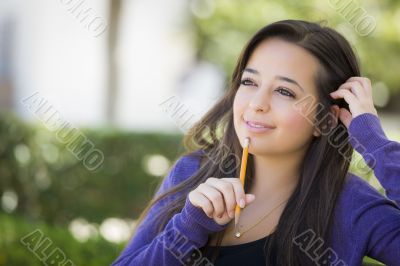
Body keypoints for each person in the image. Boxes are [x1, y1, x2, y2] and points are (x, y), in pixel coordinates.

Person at [112, 19, 400, 266]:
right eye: (249, 83)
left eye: (285, 92)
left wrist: (374, 143)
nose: (257, 104)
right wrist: (188, 228)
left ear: (324, 121)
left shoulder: (351, 205)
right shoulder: (191, 173)